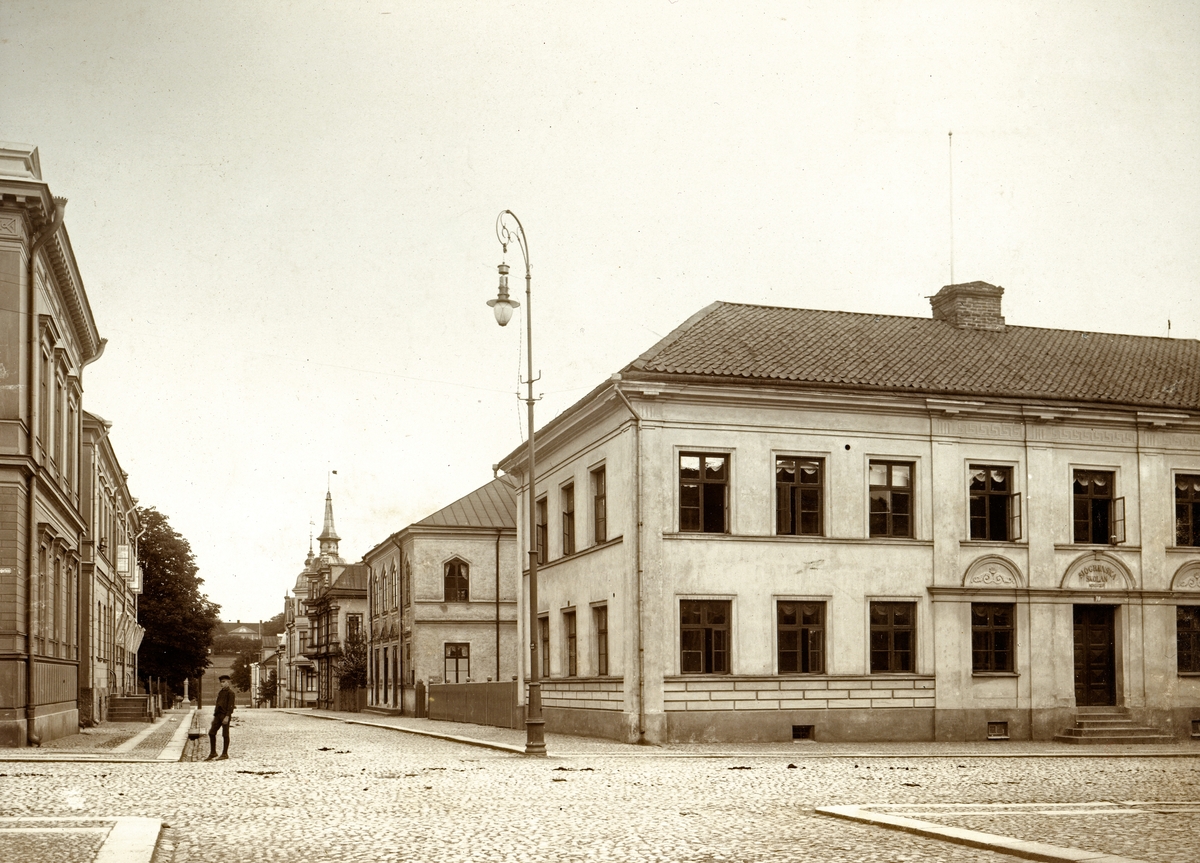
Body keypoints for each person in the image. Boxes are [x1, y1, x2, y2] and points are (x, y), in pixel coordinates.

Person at [206, 675, 236, 760]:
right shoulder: (221, 692)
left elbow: (230, 706)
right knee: (211, 733)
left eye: (223, 682)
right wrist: (215, 717)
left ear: (228, 682)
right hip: (218, 715)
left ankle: (225, 753)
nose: (221, 684)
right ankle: (213, 752)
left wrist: (227, 716)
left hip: (225, 715)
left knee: (225, 734)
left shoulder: (231, 693)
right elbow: (218, 704)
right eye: (221, 682)